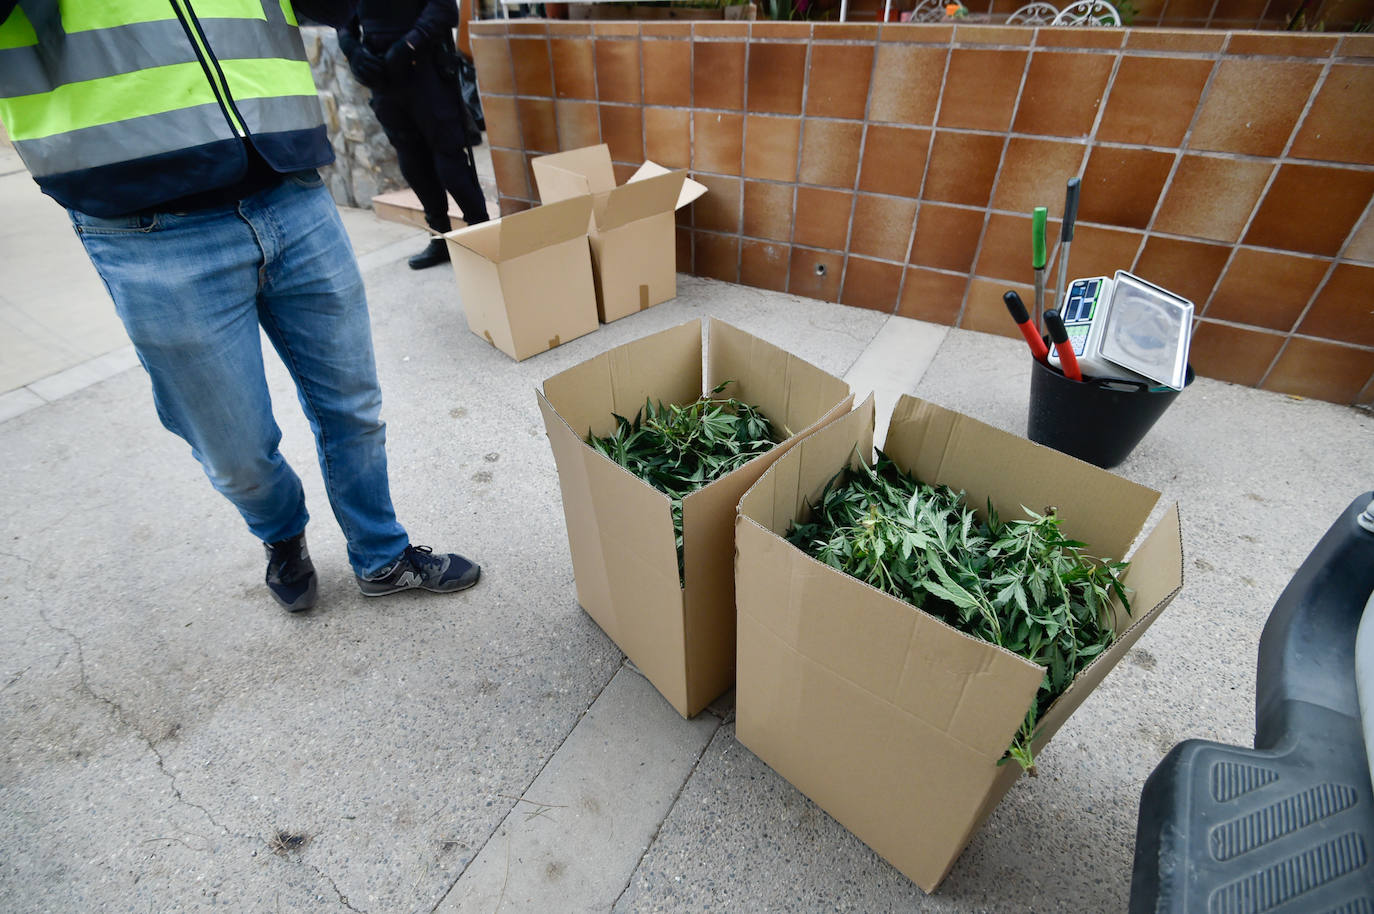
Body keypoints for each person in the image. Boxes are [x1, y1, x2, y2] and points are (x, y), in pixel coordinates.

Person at [0, 0, 480, 612]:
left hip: (292, 190)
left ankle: (381, 556)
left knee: (354, 407)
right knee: (235, 452)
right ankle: (281, 533)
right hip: (147, 226)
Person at [336, 1, 490, 271]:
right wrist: (352, 48)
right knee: (413, 164)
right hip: (383, 75)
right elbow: (341, 16)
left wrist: (409, 44)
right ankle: (440, 236)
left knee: (450, 163)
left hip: (426, 66)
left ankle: (483, 234)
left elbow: (444, 9)